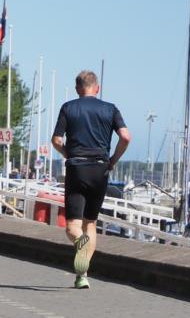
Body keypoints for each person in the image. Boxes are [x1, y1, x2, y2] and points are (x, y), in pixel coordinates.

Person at [51, 69, 131, 289]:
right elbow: (125, 136)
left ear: (78, 89)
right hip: (100, 169)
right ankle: (82, 275)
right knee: (91, 223)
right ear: (97, 88)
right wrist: (113, 160)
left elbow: (57, 140)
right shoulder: (110, 109)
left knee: (72, 226)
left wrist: (69, 154)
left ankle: (79, 243)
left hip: (77, 168)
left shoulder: (69, 108)